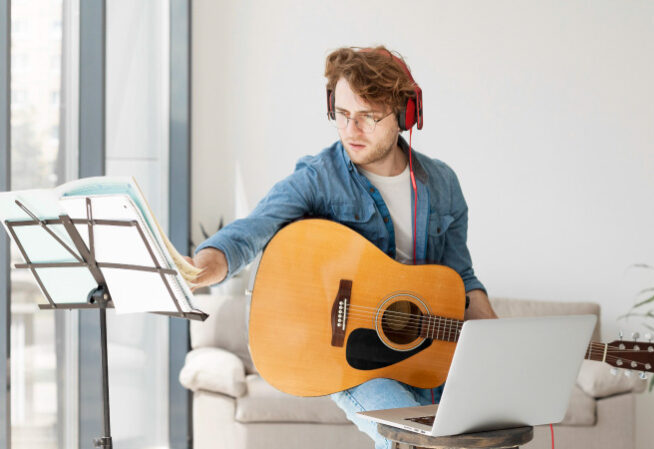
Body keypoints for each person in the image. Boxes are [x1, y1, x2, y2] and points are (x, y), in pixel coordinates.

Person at [187, 45, 497, 449]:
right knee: (409, 441)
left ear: (405, 115)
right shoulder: (319, 177)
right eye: (343, 114)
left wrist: (495, 337)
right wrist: (207, 264)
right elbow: (255, 227)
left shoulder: (443, 184)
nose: (352, 130)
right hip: (351, 361)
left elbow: (461, 278)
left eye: (368, 117)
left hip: (426, 358)